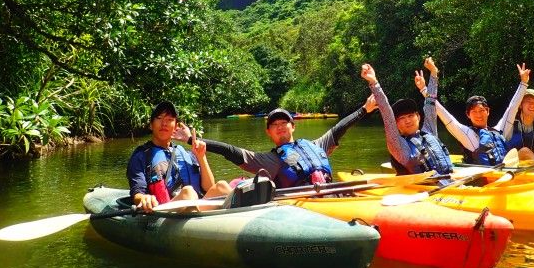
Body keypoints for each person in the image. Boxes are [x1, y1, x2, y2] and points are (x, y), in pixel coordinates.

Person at [189, 95, 378, 188]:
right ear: (268, 132)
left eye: (284, 122)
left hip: (329, 192)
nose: (280, 126)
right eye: (274, 124)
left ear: (293, 126)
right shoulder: (270, 160)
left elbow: (339, 129)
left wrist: (364, 109)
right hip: (299, 201)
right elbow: (231, 151)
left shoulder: (317, 144)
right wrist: (192, 139)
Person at [126, 101, 232, 212]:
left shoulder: (186, 153)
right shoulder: (141, 156)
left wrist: (201, 157)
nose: (164, 124)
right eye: (159, 118)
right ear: (151, 125)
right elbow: (137, 193)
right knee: (188, 192)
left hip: (198, 208)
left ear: (176, 126)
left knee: (222, 186)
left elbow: (209, 187)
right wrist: (144, 198)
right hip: (165, 212)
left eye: (169, 120)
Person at [360, 58, 453, 176]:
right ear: (396, 124)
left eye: (410, 116)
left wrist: (434, 73)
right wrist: (374, 82)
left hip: (450, 181)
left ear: (418, 117)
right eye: (402, 118)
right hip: (425, 190)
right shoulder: (399, 147)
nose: (407, 120)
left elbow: (430, 103)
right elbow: (387, 113)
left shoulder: (429, 132)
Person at [434, 63, 531, 166]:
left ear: (488, 111)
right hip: (483, 178)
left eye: (481, 111)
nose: (478, 115)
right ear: (468, 115)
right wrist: (424, 90)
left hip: (503, 172)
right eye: (474, 112)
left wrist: (523, 83)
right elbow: (445, 116)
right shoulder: (466, 134)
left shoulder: (499, 131)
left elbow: (512, 108)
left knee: (525, 151)